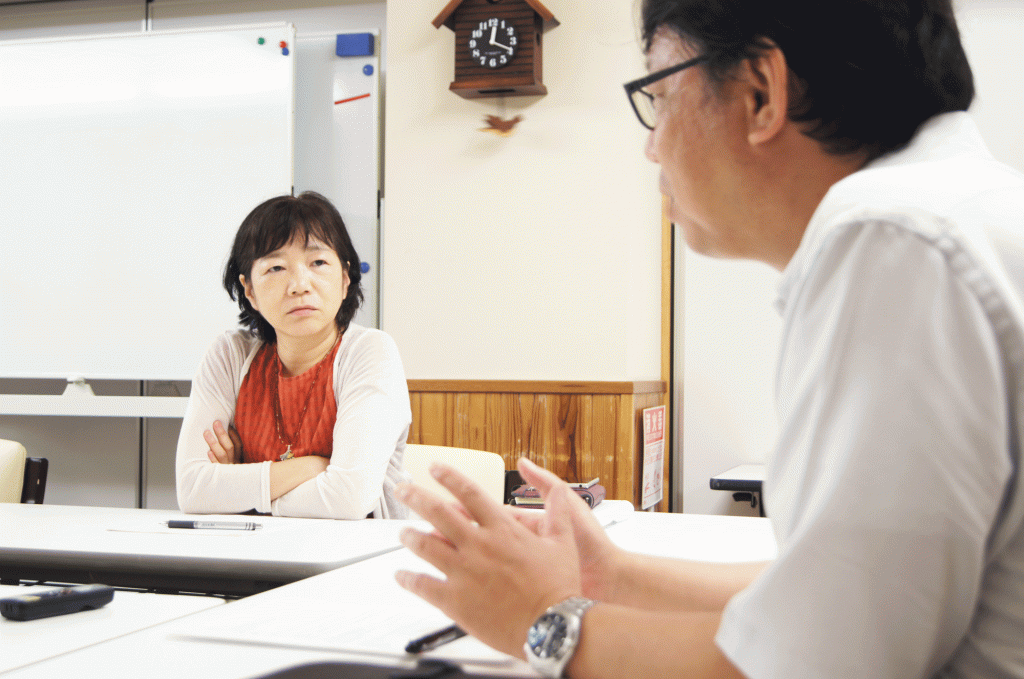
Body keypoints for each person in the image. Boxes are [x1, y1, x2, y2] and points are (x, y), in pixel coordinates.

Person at [393, 1, 1024, 677]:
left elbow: (816, 662)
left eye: (659, 96)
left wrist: (543, 620)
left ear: (760, 92)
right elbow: (832, 595)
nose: (651, 145)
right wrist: (611, 576)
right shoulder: (953, 211)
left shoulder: (891, 240)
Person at [176, 191, 411, 519]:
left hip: (355, 548)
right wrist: (315, 467)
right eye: (276, 267)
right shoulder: (231, 355)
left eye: (318, 263)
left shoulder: (370, 353)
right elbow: (193, 490)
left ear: (345, 278)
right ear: (249, 289)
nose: (300, 285)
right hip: (252, 549)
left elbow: (349, 498)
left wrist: (241, 491)